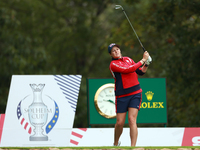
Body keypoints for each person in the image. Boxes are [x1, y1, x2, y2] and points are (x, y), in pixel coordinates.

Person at [108, 43, 150, 146]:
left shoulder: (128, 59)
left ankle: (133, 147)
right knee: (120, 123)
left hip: (135, 93)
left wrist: (147, 64)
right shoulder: (113, 64)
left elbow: (140, 72)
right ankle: (116, 143)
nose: (116, 51)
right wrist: (143, 60)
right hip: (122, 95)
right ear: (111, 54)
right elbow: (127, 70)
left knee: (132, 120)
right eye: (113, 51)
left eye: (117, 49)